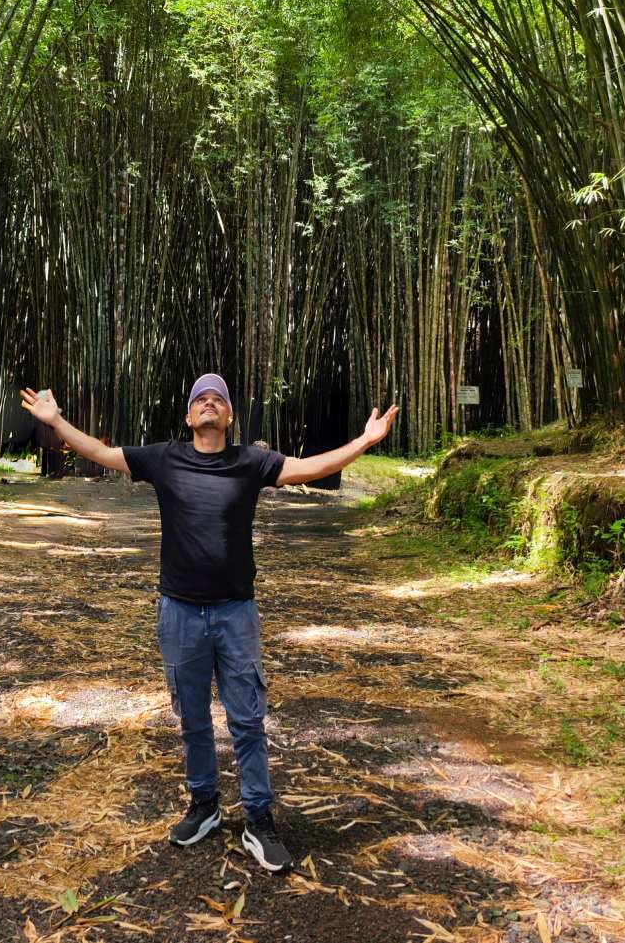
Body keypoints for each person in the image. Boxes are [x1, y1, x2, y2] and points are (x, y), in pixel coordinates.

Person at [20, 375, 399, 874]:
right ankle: (204, 805)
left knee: (246, 718)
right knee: (193, 716)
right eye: (200, 399)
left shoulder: (251, 462)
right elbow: (101, 454)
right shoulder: (164, 457)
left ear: (229, 417)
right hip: (178, 611)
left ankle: (259, 819)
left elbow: (311, 467)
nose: (209, 404)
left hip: (235, 611)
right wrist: (56, 422)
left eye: (218, 399)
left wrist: (365, 442)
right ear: (188, 417)